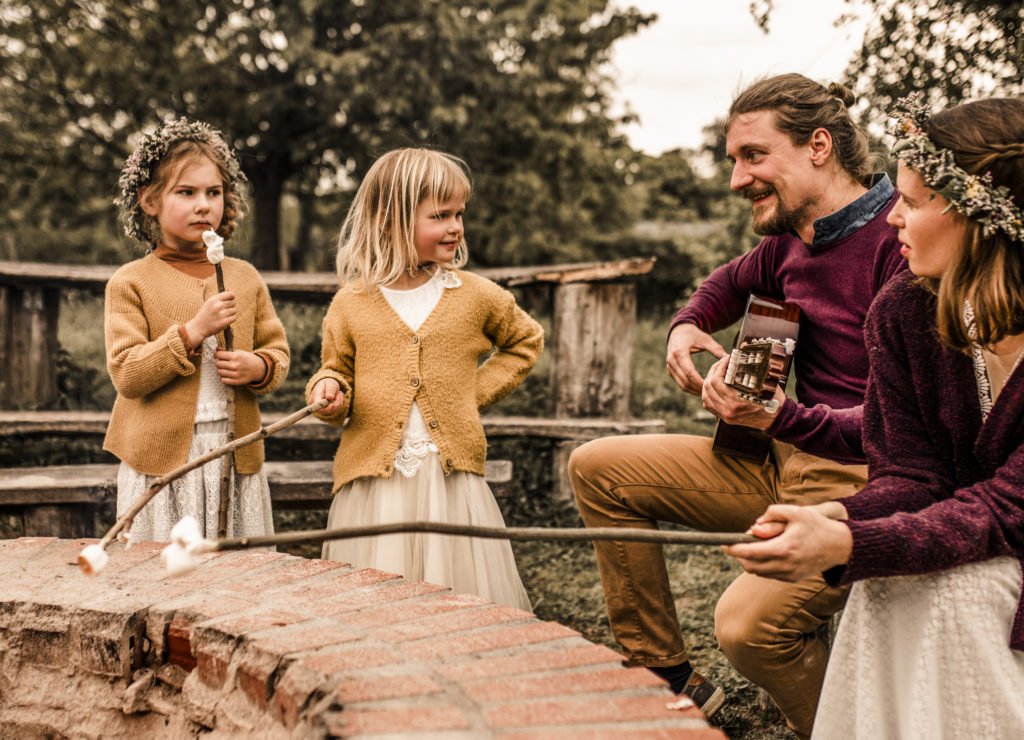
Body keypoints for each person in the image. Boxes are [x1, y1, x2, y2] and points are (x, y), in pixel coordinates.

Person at [568, 73, 905, 734]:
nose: (736, 179)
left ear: (818, 146)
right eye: (733, 160)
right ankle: (668, 677)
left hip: (865, 481)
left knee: (746, 627)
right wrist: (688, 325)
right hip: (776, 461)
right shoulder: (788, 241)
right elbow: (724, 284)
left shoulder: (901, 244)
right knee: (598, 468)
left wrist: (781, 414)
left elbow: (904, 423)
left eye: (753, 156)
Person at [725, 96, 1024, 738]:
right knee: (884, 583)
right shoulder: (906, 310)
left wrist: (852, 542)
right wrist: (834, 516)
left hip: (1009, 544)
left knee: (952, 594)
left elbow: (1006, 507)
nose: (891, 218)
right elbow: (912, 473)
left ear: (982, 218)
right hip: (972, 530)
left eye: (913, 202)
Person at [306, 148, 543, 611]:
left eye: (459, 214)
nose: (456, 226)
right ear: (389, 219)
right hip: (374, 483)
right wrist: (327, 392)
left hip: (449, 480)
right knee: (377, 601)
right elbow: (336, 369)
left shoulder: (475, 295)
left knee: (456, 597)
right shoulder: (351, 303)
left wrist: (469, 395)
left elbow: (525, 341)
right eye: (440, 215)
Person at [105, 118, 289, 540]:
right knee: (168, 574)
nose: (202, 205)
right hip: (163, 463)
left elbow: (277, 352)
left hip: (233, 455)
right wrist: (190, 333)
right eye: (185, 193)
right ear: (149, 201)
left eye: (213, 192)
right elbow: (128, 374)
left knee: (235, 575)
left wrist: (257, 367)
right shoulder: (131, 282)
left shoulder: (244, 276)